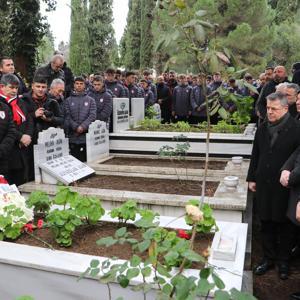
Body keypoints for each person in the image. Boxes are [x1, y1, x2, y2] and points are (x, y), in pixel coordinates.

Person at [247, 92, 300, 280]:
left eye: (273, 109)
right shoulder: (262, 128)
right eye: (268, 108)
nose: (269, 112)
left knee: (284, 225)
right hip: (263, 183)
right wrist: (251, 177)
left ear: (286, 108)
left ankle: (283, 261)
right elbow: (256, 154)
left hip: (285, 186)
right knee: (266, 222)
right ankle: (268, 258)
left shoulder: (296, 129)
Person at [0, 74, 33, 185]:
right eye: (11, 87)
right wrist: (20, 137)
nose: (14, 91)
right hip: (9, 148)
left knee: (21, 180)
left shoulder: (20, 102)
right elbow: (9, 127)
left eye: (16, 88)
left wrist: (28, 135)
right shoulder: (2, 104)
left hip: (22, 148)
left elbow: (28, 119)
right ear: (2, 87)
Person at [64, 76, 96, 162]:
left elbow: (92, 115)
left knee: (85, 161)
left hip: (85, 136)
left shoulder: (91, 100)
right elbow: (67, 116)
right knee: (73, 161)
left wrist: (83, 126)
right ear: (74, 85)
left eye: (81, 84)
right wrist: (75, 127)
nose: (79, 85)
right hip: (72, 136)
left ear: (85, 85)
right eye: (77, 84)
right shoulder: (68, 100)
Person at [23, 77, 63, 143]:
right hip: (30, 141)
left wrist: (50, 119)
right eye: (38, 86)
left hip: (48, 141)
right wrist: (34, 115)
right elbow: (20, 121)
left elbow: (61, 120)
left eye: (43, 87)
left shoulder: (52, 101)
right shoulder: (24, 100)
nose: (41, 89)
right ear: (32, 86)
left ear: (47, 88)